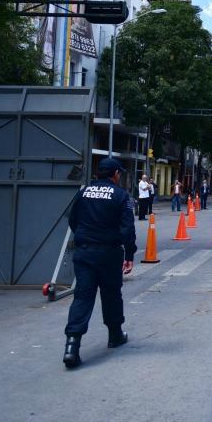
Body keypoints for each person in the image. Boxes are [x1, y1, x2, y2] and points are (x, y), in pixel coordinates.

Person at [63, 158, 136, 369]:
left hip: (84, 253)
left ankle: (71, 345)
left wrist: (85, 237)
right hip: (109, 253)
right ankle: (115, 334)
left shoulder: (84, 192)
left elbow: (72, 220)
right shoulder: (121, 196)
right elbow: (127, 229)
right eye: (119, 173)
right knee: (111, 295)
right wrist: (129, 255)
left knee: (83, 296)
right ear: (114, 174)